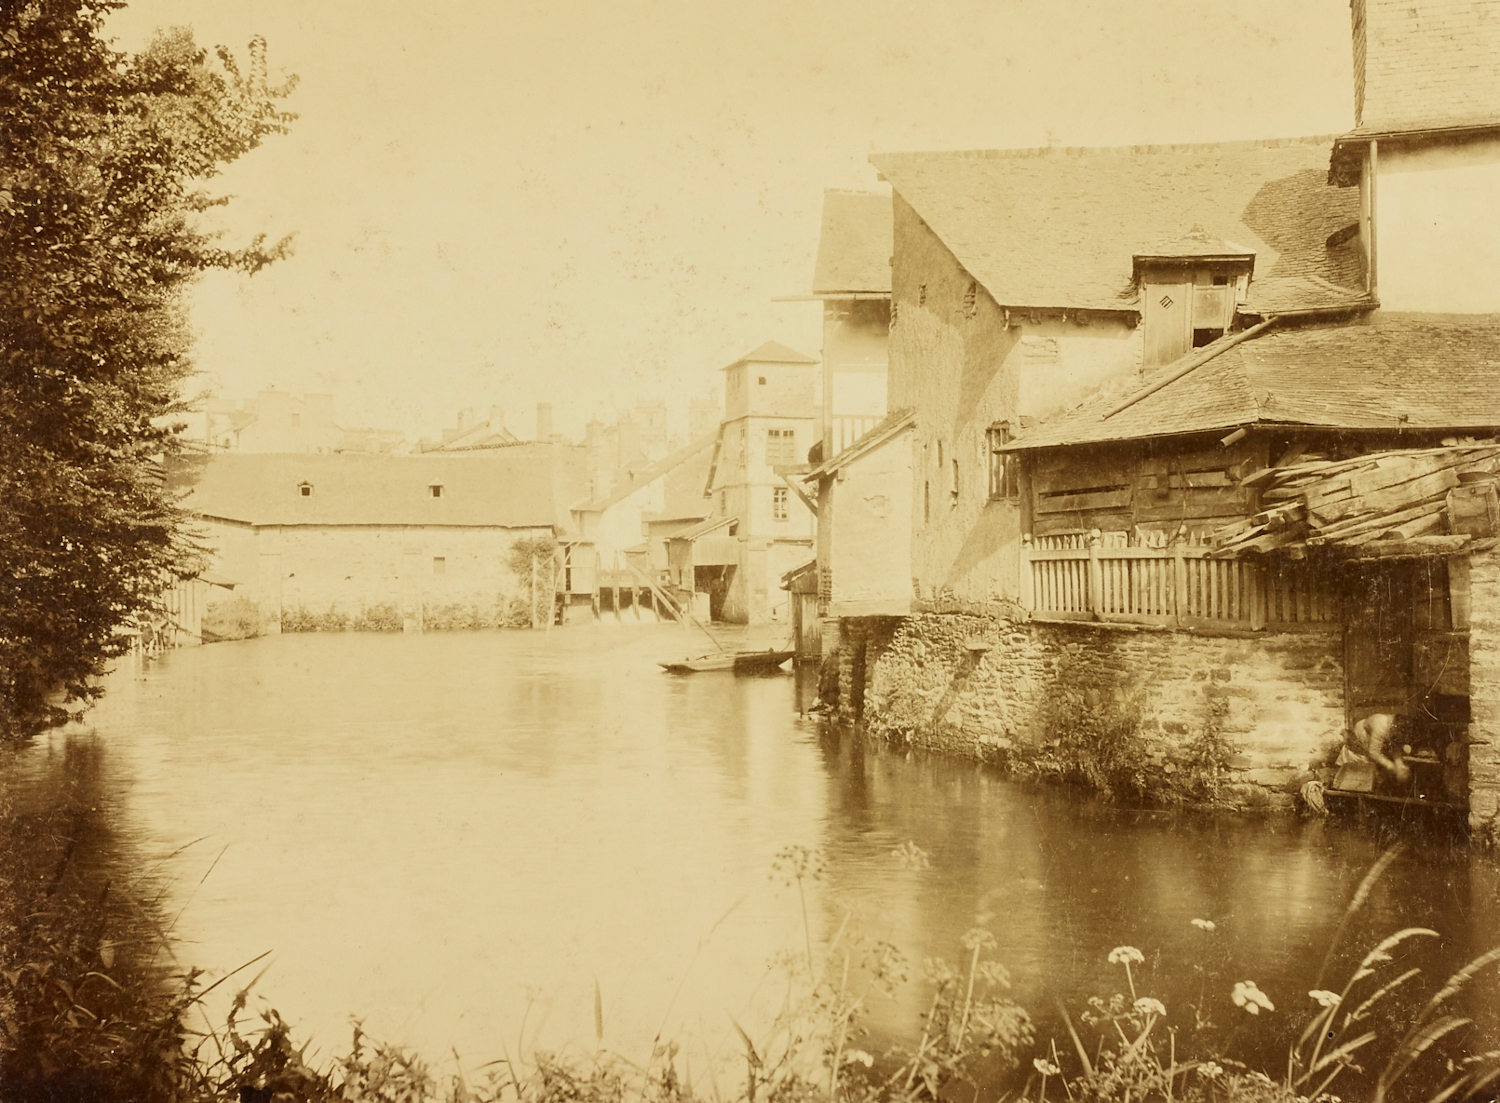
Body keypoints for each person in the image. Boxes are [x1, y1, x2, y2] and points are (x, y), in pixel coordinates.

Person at [1343, 712, 1410, 784]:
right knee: (1356, 782)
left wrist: (1400, 765)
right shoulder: (1380, 725)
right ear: (1394, 726)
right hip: (1357, 753)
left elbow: (1394, 747)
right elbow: (1373, 752)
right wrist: (1394, 768)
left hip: (1369, 752)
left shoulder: (1394, 728)